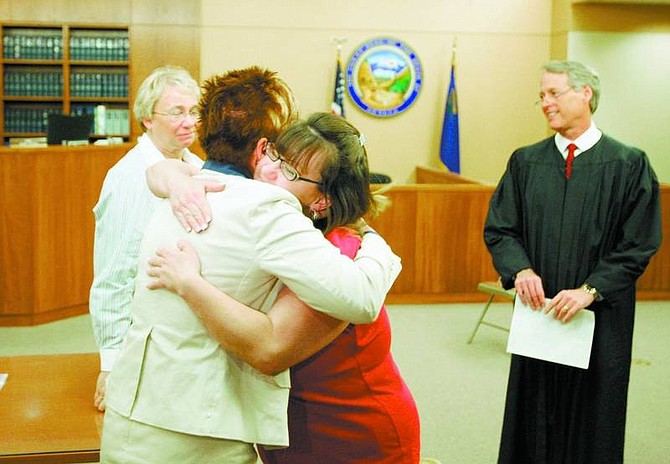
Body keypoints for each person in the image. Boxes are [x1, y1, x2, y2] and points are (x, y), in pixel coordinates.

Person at [100, 67, 401, 464]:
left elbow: (161, 171)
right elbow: (359, 298)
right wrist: (379, 244)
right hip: (197, 427)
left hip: (131, 412)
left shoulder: (184, 188)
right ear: (262, 150)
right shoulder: (264, 208)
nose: (279, 165)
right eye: (280, 153)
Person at [484, 60, 662, 463]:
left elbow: (638, 243)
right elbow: (501, 228)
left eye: (554, 93)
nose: (545, 103)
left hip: (598, 317)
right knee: (535, 407)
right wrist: (520, 269)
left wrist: (590, 290)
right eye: (541, 96)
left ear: (585, 93)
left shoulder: (628, 164)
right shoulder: (525, 162)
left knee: (593, 413)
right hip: (540, 314)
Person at [88, 65, 204, 412]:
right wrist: (111, 363)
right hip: (144, 339)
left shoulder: (198, 167)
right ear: (148, 119)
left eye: (194, 111)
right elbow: (113, 277)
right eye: (177, 112)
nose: (189, 122)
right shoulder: (129, 178)